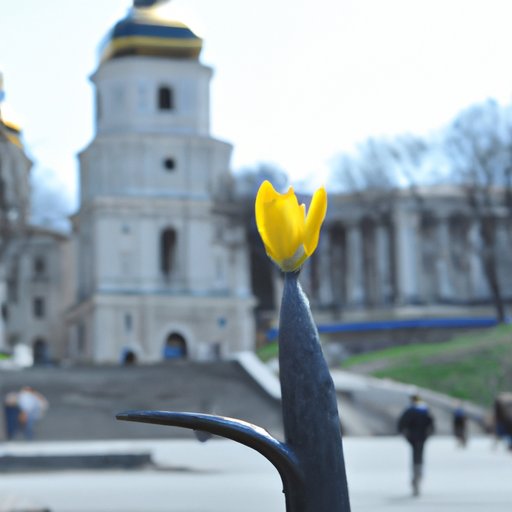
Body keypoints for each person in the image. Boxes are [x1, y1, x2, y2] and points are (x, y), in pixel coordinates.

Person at [397, 394, 435, 497]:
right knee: (419, 456)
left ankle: (416, 477)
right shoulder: (424, 410)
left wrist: (403, 433)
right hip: (421, 437)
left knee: (415, 457)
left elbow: (401, 423)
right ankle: (418, 476)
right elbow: (431, 424)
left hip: (414, 437)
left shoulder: (410, 411)